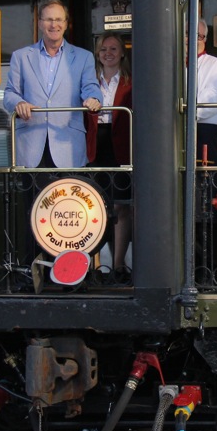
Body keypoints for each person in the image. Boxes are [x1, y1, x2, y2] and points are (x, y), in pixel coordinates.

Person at [3, 0, 102, 169]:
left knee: (68, 197)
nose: (53, 25)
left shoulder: (83, 57)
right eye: (49, 19)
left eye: (58, 20)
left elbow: (91, 87)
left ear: (65, 24)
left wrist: (92, 98)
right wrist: (18, 103)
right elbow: (10, 93)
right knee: (35, 196)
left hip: (68, 145)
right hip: (30, 146)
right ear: (40, 23)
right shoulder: (20, 56)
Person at [85, 34, 133, 278]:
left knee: (121, 207)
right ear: (97, 53)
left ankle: (117, 265)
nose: (108, 53)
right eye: (103, 49)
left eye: (113, 49)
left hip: (121, 148)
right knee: (96, 207)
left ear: (122, 53)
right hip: (96, 146)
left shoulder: (131, 82)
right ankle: (95, 266)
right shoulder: (89, 81)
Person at [195, 15, 217, 165]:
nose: (191, 39)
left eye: (198, 36)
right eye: (186, 34)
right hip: (172, 132)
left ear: (204, 40)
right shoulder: (169, 64)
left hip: (204, 132)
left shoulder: (216, 65)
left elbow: (214, 99)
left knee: (205, 182)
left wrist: (180, 113)